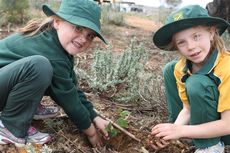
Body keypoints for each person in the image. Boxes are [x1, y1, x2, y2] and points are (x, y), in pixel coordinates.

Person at [0, 0, 109, 148]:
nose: (84, 39)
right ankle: (11, 127)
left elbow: (71, 88)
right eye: (78, 28)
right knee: (40, 67)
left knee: (45, 71)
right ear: (57, 22)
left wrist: (94, 116)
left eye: (90, 35)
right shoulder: (53, 54)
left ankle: (27, 107)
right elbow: (69, 100)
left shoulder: (56, 45)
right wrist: (91, 132)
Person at [151, 5, 230, 153]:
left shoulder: (227, 67)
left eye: (196, 36)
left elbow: (228, 125)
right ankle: (190, 135)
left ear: (211, 32)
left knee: (196, 82)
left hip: (226, 130)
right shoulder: (181, 68)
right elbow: (187, 108)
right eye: (182, 42)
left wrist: (181, 131)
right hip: (205, 123)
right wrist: (175, 130)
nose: (191, 47)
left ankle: (210, 146)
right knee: (170, 68)